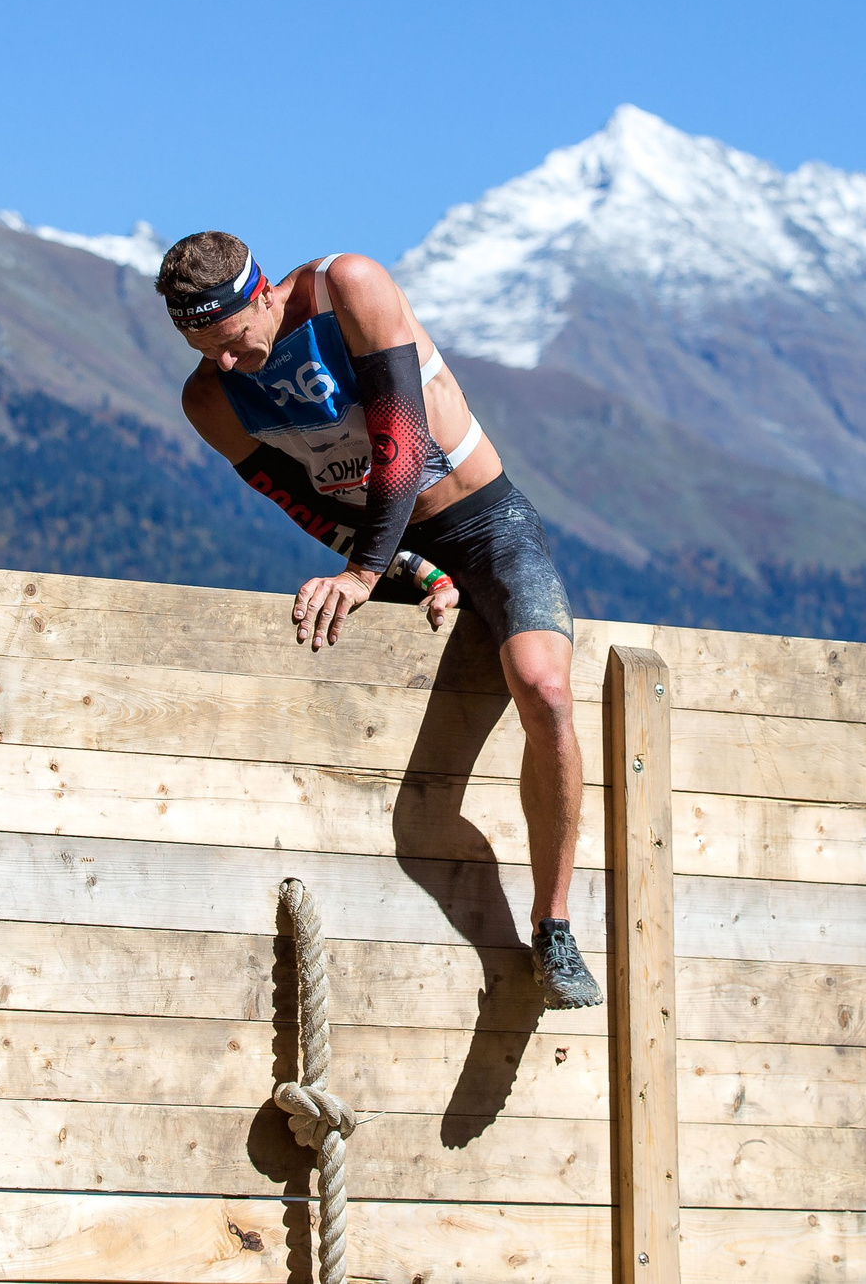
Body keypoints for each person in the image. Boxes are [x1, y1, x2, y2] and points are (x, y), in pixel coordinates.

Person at [154, 231, 602, 1010]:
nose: (223, 363)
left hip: (482, 522)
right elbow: (303, 504)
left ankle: (554, 924)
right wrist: (404, 570)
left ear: (263, 293)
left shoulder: (348, 288)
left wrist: (365, 571)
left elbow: (403, 440)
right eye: (202, 350)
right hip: (389, 552)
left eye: (230, 340)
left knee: (547, 691)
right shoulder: (210, 399)